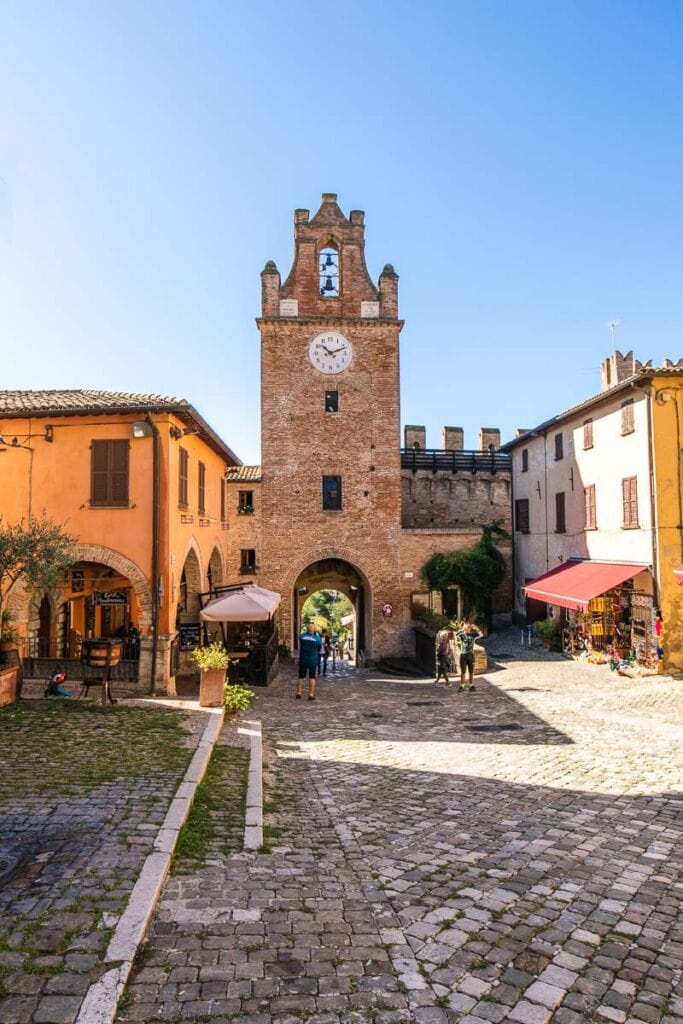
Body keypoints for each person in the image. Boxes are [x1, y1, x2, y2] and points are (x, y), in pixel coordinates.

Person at [297, 622, 322, 701]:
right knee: (312, 677)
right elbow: (319, 647)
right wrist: (315, 633)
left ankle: (299, 692)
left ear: (307, 629)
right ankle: (311, 694)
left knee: (301, 676)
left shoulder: (302, 637)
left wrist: (307, 631)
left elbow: (301, 636)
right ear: (314, 630)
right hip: (313, 660)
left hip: (303, 659)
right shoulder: (317, 639)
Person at [456, 620, 483, 692]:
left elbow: (481, 635)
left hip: (471, 655)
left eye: (468, 627)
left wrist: (477, 628)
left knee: (471, 671)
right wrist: (462, 629)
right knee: (463, 672)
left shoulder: (473, 635)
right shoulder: (461, 634)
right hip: (463, 655)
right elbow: (456, 635)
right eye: (466, 627)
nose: (467, 628)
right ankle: (462, 685)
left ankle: (471, 685)